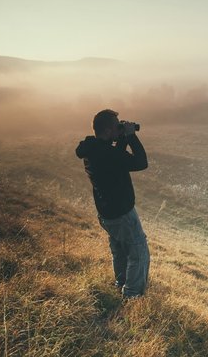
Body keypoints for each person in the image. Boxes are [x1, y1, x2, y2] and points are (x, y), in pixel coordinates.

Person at [75, 109, 150, 299]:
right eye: (117, 126)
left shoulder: (92, 149)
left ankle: (121, 284)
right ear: (108, 131)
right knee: (138, 252)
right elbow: (141, 162)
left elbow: (114, 157)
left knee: (120, 251)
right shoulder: (106, 153)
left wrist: (122, 137)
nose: (120, 128)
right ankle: (132, 296)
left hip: (107, 213)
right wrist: (131, 137)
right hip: (122, 213)